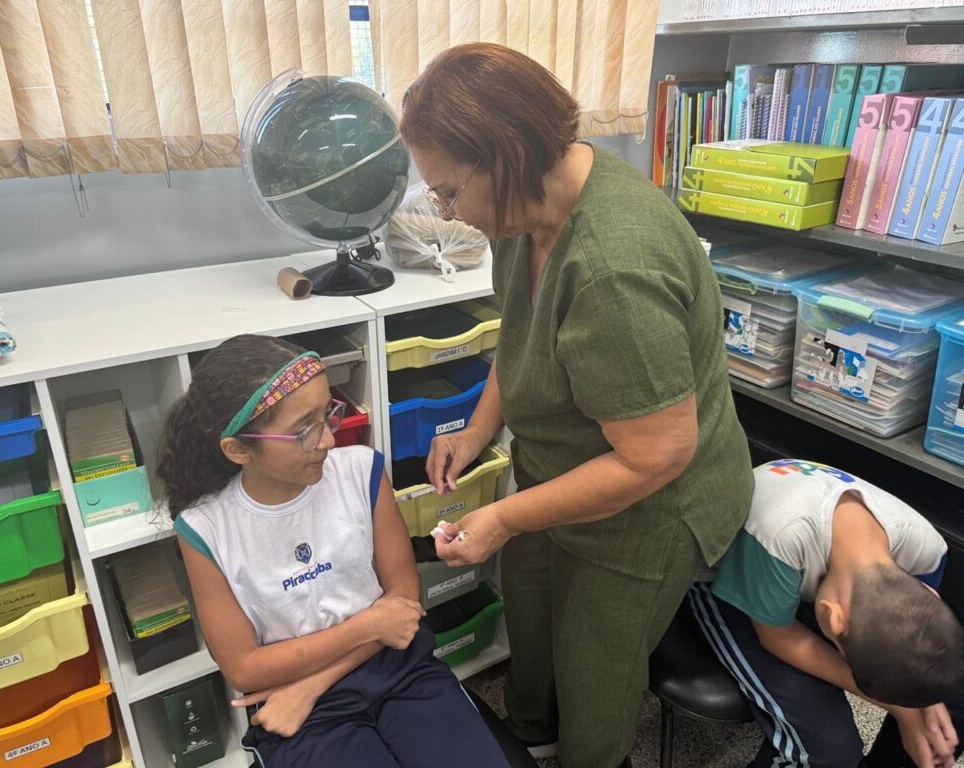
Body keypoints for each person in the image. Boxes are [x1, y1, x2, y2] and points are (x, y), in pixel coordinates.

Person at [399, 43, 754, 768]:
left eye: (448, 191)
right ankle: (528, 733)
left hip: (652, 507)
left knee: (597, 678)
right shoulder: (525, 214)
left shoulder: (611, 269)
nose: (448, 212)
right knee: (531, 623)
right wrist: (476, 431)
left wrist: (498, 515)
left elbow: (658, 455)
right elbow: (525, 335)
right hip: (566, 466)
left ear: (503, 156)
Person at [157, 334, 510, 768]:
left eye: (328, 414)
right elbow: (245, 668)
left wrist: (314, 683)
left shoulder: (362, 470)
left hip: (387, 667)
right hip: (300, 708)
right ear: (238, 449)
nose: (327, 439)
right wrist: (370, 625)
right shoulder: (205, 529)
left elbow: (403, 604)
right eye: (304, 429)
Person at [691, 459, 964, 768]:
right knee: (827, 754)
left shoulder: (926, 548)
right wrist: (903, 710)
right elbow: (778, 638)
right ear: (832, 618)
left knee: (948, 698)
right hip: (739, 593)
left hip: (808, 580)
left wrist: (924, 708)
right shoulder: (779, 537)